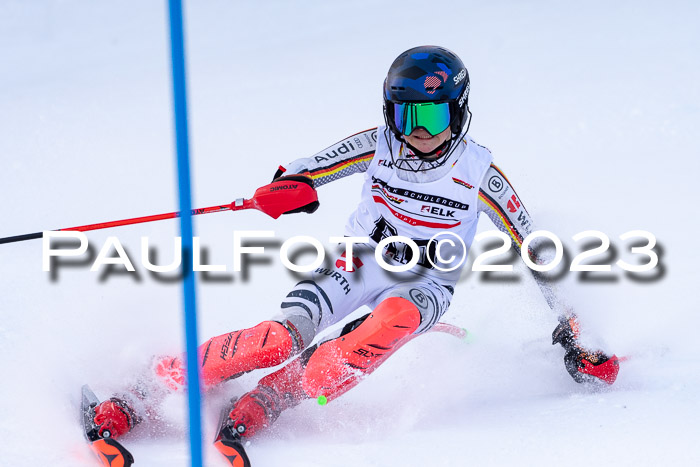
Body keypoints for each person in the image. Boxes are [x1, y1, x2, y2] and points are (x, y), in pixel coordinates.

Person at [90, 45, 620, 461]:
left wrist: (575, 332)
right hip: (356, 263)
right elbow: (312, 166)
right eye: (404, 115)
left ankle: (270, 400)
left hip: (426, 286)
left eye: (432, 119)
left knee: (388, 323)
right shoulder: (378, 144)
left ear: (458, 115)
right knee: (277, 340)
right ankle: (143, 388)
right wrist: (289, 187)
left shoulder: (479, 174)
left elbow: (534, 251)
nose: (416, 133)